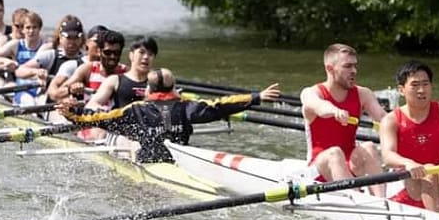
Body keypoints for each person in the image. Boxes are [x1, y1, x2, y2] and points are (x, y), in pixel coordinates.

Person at [64, 68, 280, 163]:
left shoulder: (136, 109)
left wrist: (73, 113)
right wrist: (256, 96)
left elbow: (98, 119)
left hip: (148, 164)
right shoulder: (187, 107)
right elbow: (221, 106)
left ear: (148, 89)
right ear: (173, 88)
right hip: (180, 161)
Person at [379, 60, 439, 216]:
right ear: (402, 90)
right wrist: (408, 163)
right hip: (406, 184)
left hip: (436, 183)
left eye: (425, 84)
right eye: (415, 85)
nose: (421, 90)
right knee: (429, 171)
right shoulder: (391, 120)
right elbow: (387, 155)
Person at [300, 43, 389, 196]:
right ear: (330, 68)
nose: (354, 71)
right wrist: (335, 111)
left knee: (369, 147)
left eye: (355, 66)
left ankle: (382, 201)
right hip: (319, 168)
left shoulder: (363, 93)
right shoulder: (310, 93)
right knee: (335, 153)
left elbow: (384, 119)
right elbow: (320, 107)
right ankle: (355, 200)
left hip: (351, 166)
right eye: (347, 66)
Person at [48, 28, 126, 105]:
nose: (112, 57)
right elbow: (55, 95)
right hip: (92, 115)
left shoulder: (127, 73)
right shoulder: (87, 69)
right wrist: (70, 90)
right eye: (108, 52)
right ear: (99, 51)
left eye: (116, 53)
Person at [0, 10, 46, 104]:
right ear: (23, 30)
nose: (31, 31)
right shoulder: (15, 45)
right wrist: (5, 61)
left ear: (39, 29)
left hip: (40, 89)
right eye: (28, 28)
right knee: (30, 102)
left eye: (34, 28)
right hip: (21, 89)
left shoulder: (46, 46)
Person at [86, 36, 158, 110]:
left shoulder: (158, 83)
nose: (146, 57)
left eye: (150, 54)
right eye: (141, 52)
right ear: (131, 55)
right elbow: (92, 104)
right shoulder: (114, 81)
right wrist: (101, 110)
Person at [16, 15, 86, 82]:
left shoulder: (85, 60)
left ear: (81, 39)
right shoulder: (50, 56)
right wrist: (36, 72)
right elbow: (19, 70)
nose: (72, 42)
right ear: (60, 38)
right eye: (69, 38)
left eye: (76, 38)